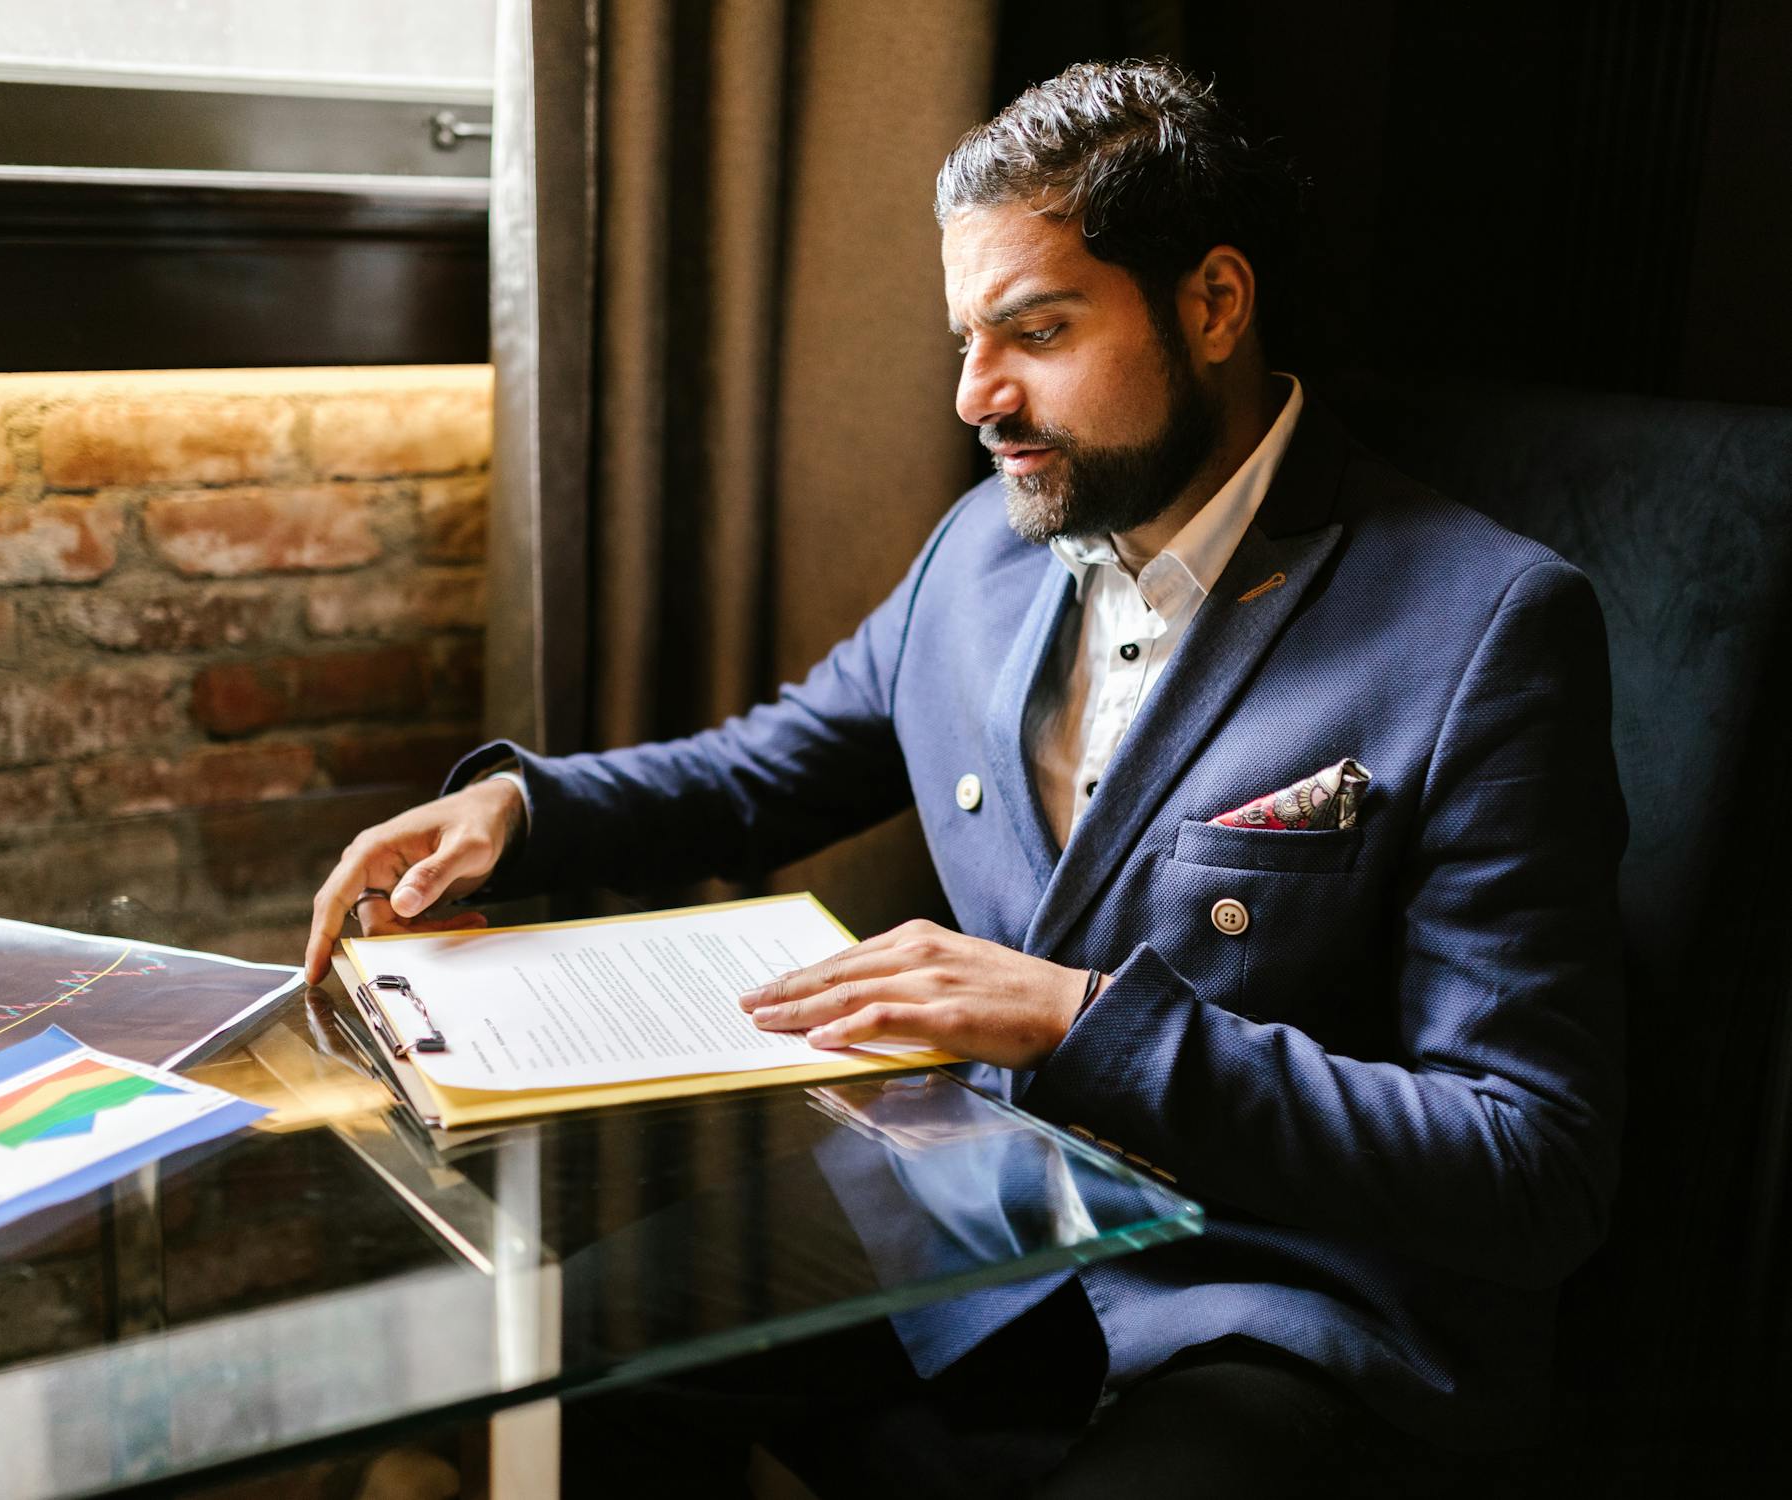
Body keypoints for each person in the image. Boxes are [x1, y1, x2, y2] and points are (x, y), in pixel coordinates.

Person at [302, 58, 1624, 1498]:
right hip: (968, 1203)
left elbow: (1532, 1166)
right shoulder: (982, 549)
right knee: (542, 1364)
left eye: (1036, 331)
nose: (976, 396)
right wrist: (524, 811)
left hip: (1274, 1287)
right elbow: (766, 771)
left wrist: (1075, 1021)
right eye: (965, 339)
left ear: (1212, 304)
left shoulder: (1489, 621)